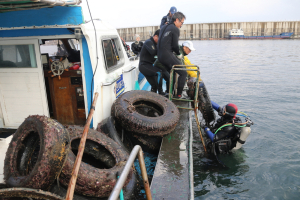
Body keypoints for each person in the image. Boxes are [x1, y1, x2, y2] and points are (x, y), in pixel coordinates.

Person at [157, 11, 187, 99]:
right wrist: (178, 54)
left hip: (160, 56)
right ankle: (179, 95)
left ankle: (169, 93)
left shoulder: (164, 27)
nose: (181, 25)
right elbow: (174, 46)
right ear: (177, 20)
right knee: (183, 73)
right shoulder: (175, 29)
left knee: (172, 73)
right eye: (182, 23)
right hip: (166, 55)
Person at [139, 29, 165, 94]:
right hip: (143, 66)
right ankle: (161, 92)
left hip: (149, 66)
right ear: (155, 36)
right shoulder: (148, 42)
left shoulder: (155, 44)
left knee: (154, 85)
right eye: (160, 39)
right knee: (159, 73)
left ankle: (153, 97)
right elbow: (153, 52)